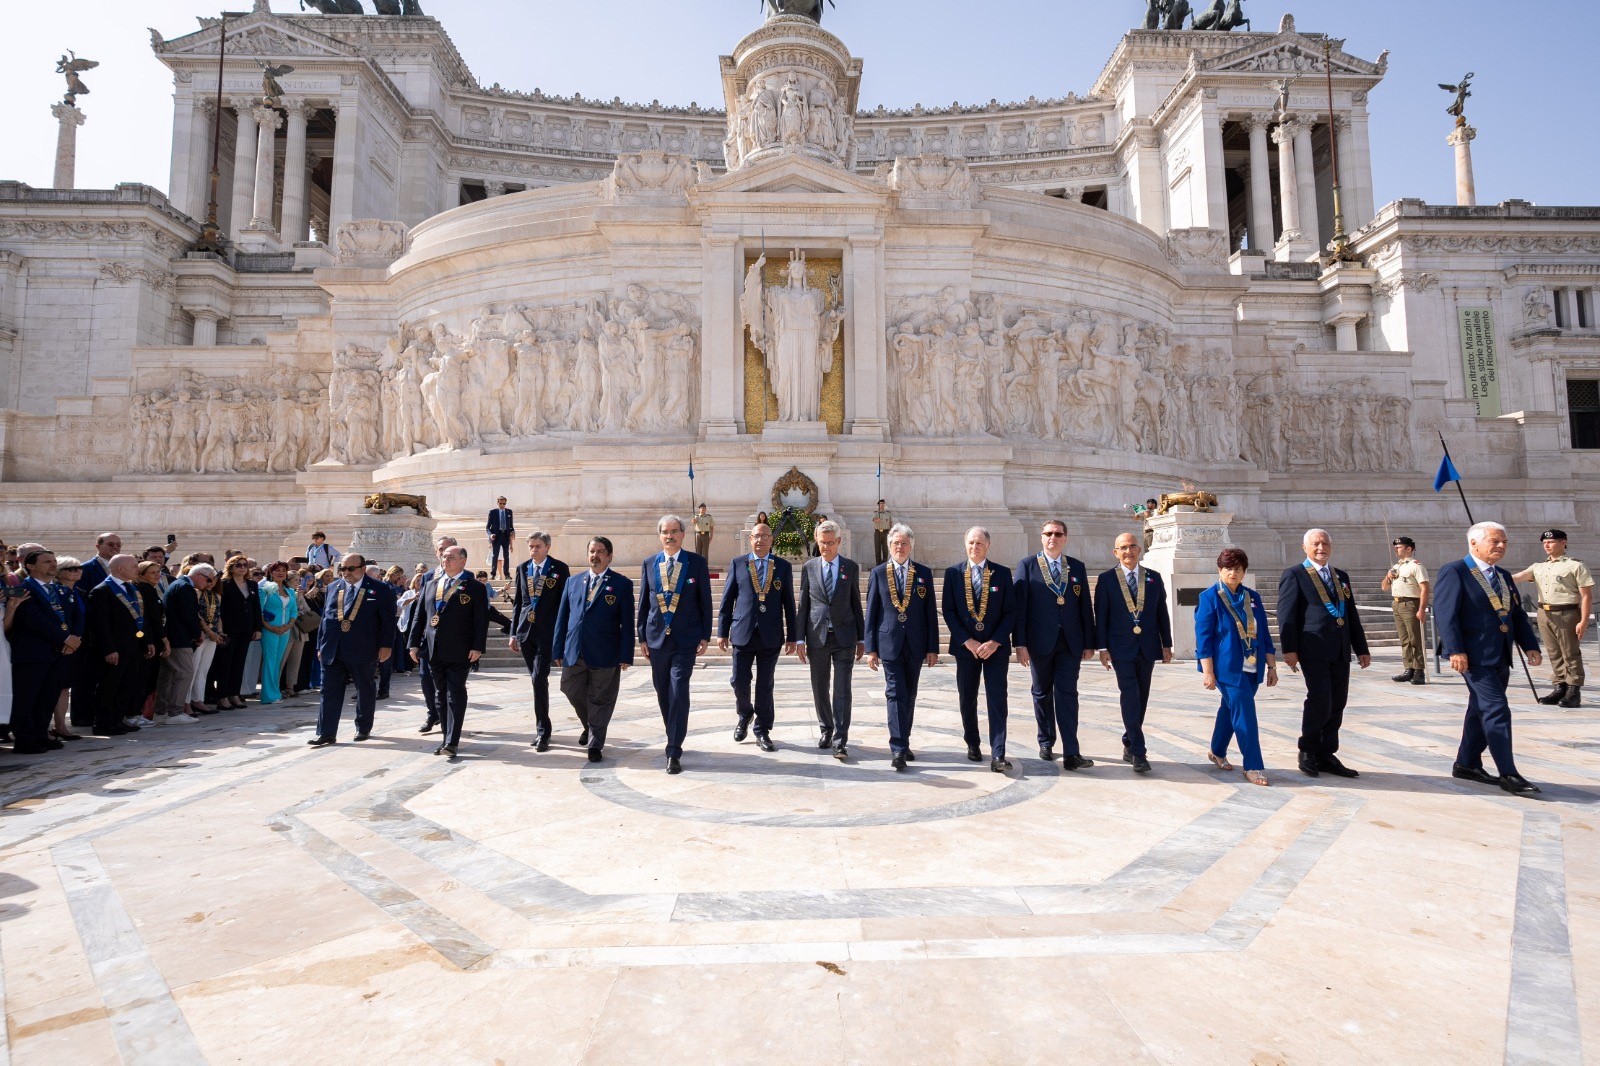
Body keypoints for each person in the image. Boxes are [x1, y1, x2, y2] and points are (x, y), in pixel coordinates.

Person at [1436, 521, 1544, 795]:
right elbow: (1446, 614)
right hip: (1473, 657)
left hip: (1499, 655)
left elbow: (1516, 614)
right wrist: (1455, 649)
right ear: (1473, 543)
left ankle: (1466, 763)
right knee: (1497, 710)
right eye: (1495, 541)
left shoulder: (1504, 576)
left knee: (1479, 710)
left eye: (1504, 542)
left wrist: (1530, 645)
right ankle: (1509, 773)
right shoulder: (1455, 571)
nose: (1501, 546)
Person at [1277, 529, 1370, 779]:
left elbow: (1351, 614)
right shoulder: (1295, 575)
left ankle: (1327, 753)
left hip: (1339, 648)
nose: (1321, 548)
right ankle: (1307, 750)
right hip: (1312, 648)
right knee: (1320, 699)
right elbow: (1286, 615)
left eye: (1325, 543)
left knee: (1338, 701)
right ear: (1305, 547)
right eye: (1316, 544)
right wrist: (1289, 649)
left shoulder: (1340, 576)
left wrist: (1361, 648)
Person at [1013, 520, 1096, 768]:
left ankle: (1071, 751)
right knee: (1041, 693)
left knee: (1068, 694)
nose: (1053, 538)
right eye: (1048, 533)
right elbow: (1020, 609)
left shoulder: (1077, 567)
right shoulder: (1027, 566)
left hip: (1070, 642)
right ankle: (1046, 740)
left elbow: (1085, 608)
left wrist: (1089, 642)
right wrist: (1020, 643)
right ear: (1041, 537)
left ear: (1065, 538)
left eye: (1058, 534)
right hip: (1039, 642)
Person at [1197, 547, 1278, 787]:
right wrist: (1209, 672)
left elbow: (1264, 633)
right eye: (1229, 568)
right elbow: (1204, 639)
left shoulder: (1252, 597)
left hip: (1253, 665)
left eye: (1238, 569)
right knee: (1245, 713)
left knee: (1230, 709)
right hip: (1227, 668)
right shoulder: (1209, 597)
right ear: (1219, 570)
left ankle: (1217, 750)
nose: (1233, 573)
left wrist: (1271, 666)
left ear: (1244, 572)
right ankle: (1252, 765)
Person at [637, 514, 712, 774]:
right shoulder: (649, 563)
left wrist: (705, 635)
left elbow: (705, 600)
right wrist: (642, 636)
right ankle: (673, 731)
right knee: (662, 692)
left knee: (679, 688)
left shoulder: (696, 563)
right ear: (660, 536)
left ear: (683, 534)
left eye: (674, 531)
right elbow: (644, 603)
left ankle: (673, 748)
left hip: (685, 639)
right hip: (657, 638)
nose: (670, 536)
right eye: (665, 532)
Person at [1095, 532, 1173, 775]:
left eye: (1132, 547)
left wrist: (1167, 644)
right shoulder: (1106, 579)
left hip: (1147, 646)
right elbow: (1102, 616)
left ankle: (1129, 742)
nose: (1128, 551)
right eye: (1123, 548)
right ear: (1115, 552)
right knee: (1130, 694)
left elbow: (1162, 612)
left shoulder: (1153, 578)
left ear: (1139, 550)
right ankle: (1139, 752)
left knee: (1142, 697)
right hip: (1120, 648)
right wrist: (1103, 648)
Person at [551, 536, 635, 761]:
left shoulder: (621, 584)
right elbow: (563, 617)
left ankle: (595, 743)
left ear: (609, 557)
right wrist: (557, 649)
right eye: (591, 551)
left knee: (601, 698)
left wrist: (626, 653)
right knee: (569, 688)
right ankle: (590, 725)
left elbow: (627, 622)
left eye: (600, 551)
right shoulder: (573, 582)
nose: (594, 555)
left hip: (605, 651)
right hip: (574, 649)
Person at [865, 523, 939, 771]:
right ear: (889, 546)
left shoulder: (923, 573)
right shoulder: (878, 573)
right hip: (889, 643)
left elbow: (930, 613)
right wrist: (870, 648)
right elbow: (872, 612)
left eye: (904, 543)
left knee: (910, 695)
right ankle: (897, 748)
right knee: (895, 693)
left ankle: (904, 741)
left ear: (911, 546)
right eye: (896, 543)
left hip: (916, 644)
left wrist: (932, 647)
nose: (900, 547)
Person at [719, 521, 798, 752]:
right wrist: (722, 632)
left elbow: (788, 604)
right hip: (743, 633)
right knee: (738, 681)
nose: (760, 540)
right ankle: (745, 714)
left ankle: (762, 729)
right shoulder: (738, 563)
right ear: (750, 539)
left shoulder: (782, 567)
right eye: (756, 536)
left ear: (772, 540)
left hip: (770, 635)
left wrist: (792, 635)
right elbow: (727, 600)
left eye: (765, 536)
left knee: (765, 685)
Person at [942, 526, 1015, 772]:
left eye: (980, 543)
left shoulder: (1002, 574)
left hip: (995, 649)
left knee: (997, 699)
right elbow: (949, 610)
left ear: (988, 546)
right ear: (965, 545)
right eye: (971, 543)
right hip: (966, 649)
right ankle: (972, 743)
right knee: (967, 698)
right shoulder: (953, 573)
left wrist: (995, 642)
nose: (975, 547)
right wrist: (968, 641)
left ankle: (998, 753)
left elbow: (1010, 612)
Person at [308, 554, 397, 747]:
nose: (346, 573)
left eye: (351, 568)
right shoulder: (333, 587)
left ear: (363, 569)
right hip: (333, 647)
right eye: (343, 569)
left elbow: (388, 621)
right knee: (329, 691)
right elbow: (326, 619)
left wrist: (386, 646)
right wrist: (320, 646)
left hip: (364, 648)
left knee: (364, 688)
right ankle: (326, 732)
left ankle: (363, 727)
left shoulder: (380, 589)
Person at [408, 546, 488, 758]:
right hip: (434, 649)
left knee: (455, 693)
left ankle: (452, 741)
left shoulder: (474, 587)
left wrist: (478, 646)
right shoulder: (431, 584)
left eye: (451, 557)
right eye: (444, 557)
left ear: (463, 561)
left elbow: (480, 620)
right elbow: (420, 617)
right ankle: (445, 738)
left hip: (461, 650)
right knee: (439, 695)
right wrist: (413, 644)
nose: (446, 560)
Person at [796, 519, 864, 759]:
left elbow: (856, 603)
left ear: (839, 542)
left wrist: (862, 638)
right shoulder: (809, 567)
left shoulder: (850, 567)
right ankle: (826, 728)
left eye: (830, 543)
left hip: (845, 636)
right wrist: (800, 639)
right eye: (822, 543)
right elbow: (803, 604)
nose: (826, 548)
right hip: (817, 636)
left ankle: (840, 740)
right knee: (820, 685)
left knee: (842, 689)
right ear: (817, 540)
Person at [1512, 529, 1592, 708]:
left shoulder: (1575, 566)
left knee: (1570, 652)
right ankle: (1559, 686)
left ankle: (1573, 690)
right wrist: (1492, 574)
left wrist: (1584, 620)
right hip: (1544, 613)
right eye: (1544, 543)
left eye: (1551, 541)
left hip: (1567, 613)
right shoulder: (1538, 567)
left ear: (1563, 542)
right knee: (1554, 652)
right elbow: (1516, 578)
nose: (1547, 545)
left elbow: (1586, 596)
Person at [9, 550, 79, 753]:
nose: (52, 565)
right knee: (28, 698)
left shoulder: (58, 589)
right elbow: (34, 619)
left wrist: (71, 639)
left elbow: (68, 617)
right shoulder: (24, 589)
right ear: (30, 566)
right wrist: (66, 639)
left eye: (54, 561)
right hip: (33, 653)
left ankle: (41, 734)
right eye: (47, 562)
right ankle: (24, 739)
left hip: (58, 651)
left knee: (47, 696)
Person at [510, 531, 570, 750]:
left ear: (547, 547)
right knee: (536, 680)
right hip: (527, 632)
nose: (533, 550)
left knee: (538, 678)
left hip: (548, 632)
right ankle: (542, 727)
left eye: (537, 546)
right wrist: (514, 633)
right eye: (531, 546)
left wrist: (563, 635)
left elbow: (565, 604)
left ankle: (543, 731)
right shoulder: (523, 568)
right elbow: (519, 603)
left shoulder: (559, 568)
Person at [87, 555, 157, 736]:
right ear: (120, 569)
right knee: (110, 686)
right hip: (115, 649)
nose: (137, 569)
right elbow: (100, 625)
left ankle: (118, 719)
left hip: (134, 646)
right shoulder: (102, 590)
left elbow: (142, 617)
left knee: (128, 685)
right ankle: (103, 722)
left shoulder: (132, 588)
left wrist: (147, 640)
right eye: (133, 566)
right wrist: (109, 649)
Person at [157, 563, 212, 724]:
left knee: (168, 674)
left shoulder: (178, 584)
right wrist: (197, 634)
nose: (208, 584)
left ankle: (161, 710)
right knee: (185, 672)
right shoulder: (185, 587)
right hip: (179, 638)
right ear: (199, 575)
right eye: (208, 579)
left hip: (173, 636)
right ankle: (175, 712)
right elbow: (189, 615)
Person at [417, 535, 458, 734]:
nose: (444, 553)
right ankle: (432, 713)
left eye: (448, 550)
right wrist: (414, 641)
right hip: (429, 637)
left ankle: (447, 715)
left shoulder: (464, 578)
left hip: (450, 639)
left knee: (448, 683)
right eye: (441, 549)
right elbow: (420, 611)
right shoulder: (428, 577)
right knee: (425, 677)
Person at [210, 555, 262, 710]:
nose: (242, 567)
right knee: (226, 663)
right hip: (229, 629)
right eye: (238, 565)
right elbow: (221, 609)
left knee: (239, 664)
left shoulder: (252, 584)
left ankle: (234, 694)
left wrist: (257, 628)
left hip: (246, 629)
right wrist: (220, 629)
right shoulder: (224, 584)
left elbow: (256, 608)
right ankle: (222, 696)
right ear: (231, 567)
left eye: (245, 565)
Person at [1380, 536, 1430, 685]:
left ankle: (1419, 671)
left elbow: (1425, 589)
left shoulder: (1416, 566)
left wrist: (1421, 608)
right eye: (1395, 547)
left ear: (1409, 549)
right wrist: (1388, 577)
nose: (1396, 549)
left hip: (1411, 604)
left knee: (1415, 638)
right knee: (1404, 639)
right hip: (1397, 603)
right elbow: (1384, 587)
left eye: (1399, 547)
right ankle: (1409, 668)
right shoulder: (1396, 567)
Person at [48, 556, 88, 740]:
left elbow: (80, 618)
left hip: (75, 644)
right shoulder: (55, 591)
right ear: (59, 572)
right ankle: (48, 726)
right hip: (59, 644)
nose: (77, 571)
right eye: (72, 568)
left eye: (79, 568)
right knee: (53, 686)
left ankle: (61, 726)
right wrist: (66, 641)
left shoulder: (78, 591)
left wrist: (77, 639)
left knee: (65, 687)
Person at [256, 561, 298, 706]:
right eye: (277, 570)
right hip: (270, 630)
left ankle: (276, 692)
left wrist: (288, 626)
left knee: (278, 662)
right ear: (270, 572)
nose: (281, 573)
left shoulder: (290, 591)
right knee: (270, 661)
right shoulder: (265, 589)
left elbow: (294, 611)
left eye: (283, 571)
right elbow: (259, 611)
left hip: (285, 630)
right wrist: (269, 626)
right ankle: (268, 695)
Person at [134, 561, 169, 721]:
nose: (157, 575)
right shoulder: (145, 589)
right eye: (152, 572)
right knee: (144, 678)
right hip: (150, 638)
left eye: (158, 571)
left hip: (150, 637)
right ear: (141, 574)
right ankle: (137, 712)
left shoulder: (148, 588)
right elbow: (153, 618)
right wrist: (164, 640)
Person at [189, 562, 224, 715]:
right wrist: (208, 631)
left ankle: (198, 699)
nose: (211, 583)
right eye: (209, 580)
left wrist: (220, 632)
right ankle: (187, 701)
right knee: (193, 668)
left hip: (213, 635)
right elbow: (197, 615)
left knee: (203, 669)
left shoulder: (217, 596)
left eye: (214, 580)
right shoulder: (197, 593)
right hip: (202, 634)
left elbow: (219, 616)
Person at [486, 496, 515, 580]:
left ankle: (507, 574)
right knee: (495, 556)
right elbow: (487, 527)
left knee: (506, 556)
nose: (502, 505)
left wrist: (513, 532)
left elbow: (511, 526)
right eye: (501, 503)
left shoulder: (509, 512)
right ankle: (493, 574)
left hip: (506, 536)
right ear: (497, 503)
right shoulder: (493, 512)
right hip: (496, 537)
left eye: (504, 503)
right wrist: (490, 535)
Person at [871, 500, 893, 566]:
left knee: (885, 549)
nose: (882, 505)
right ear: (878, 505)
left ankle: (884, 564)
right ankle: (878, 564)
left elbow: (890, 523)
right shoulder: (876, 513)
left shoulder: (888, 513)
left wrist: (890, 532)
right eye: (880, 503)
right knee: (877, 549)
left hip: (885, 532)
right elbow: (874, 519)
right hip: (877, 532)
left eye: (883, 503)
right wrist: (876, 519)